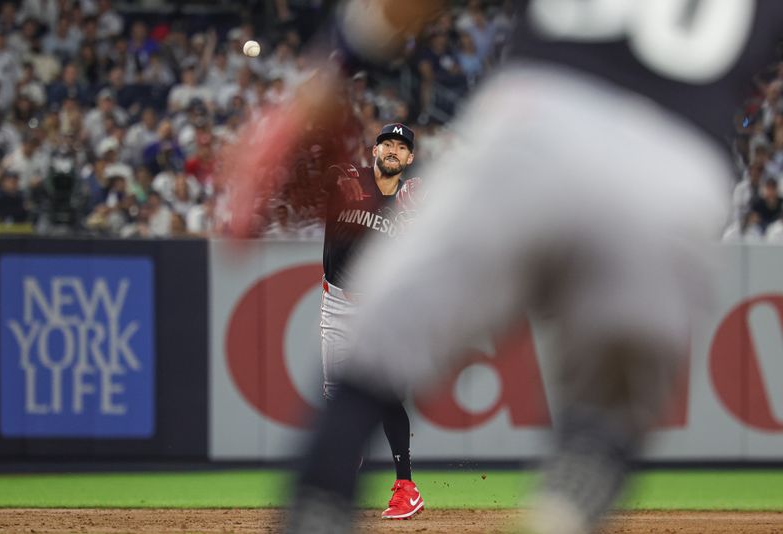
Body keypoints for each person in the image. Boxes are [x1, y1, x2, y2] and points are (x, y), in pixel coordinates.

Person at [284, 1, 783, 534]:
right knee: (603, 422)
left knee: (367, 371)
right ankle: (568, 504)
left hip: (541, 113)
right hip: (682, 164)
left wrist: (337, 61)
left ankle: (320, 509)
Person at [318, 122, 425, 520]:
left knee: (384, 393)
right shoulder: (349, 179)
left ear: (410, 158)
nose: (393, 150)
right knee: (336, 395)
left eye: (401, 146)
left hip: (381, 307)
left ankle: (406, 486)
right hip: (337, 303)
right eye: (387, 144)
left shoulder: (412, 201)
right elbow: (326, 173)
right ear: (374, 151)